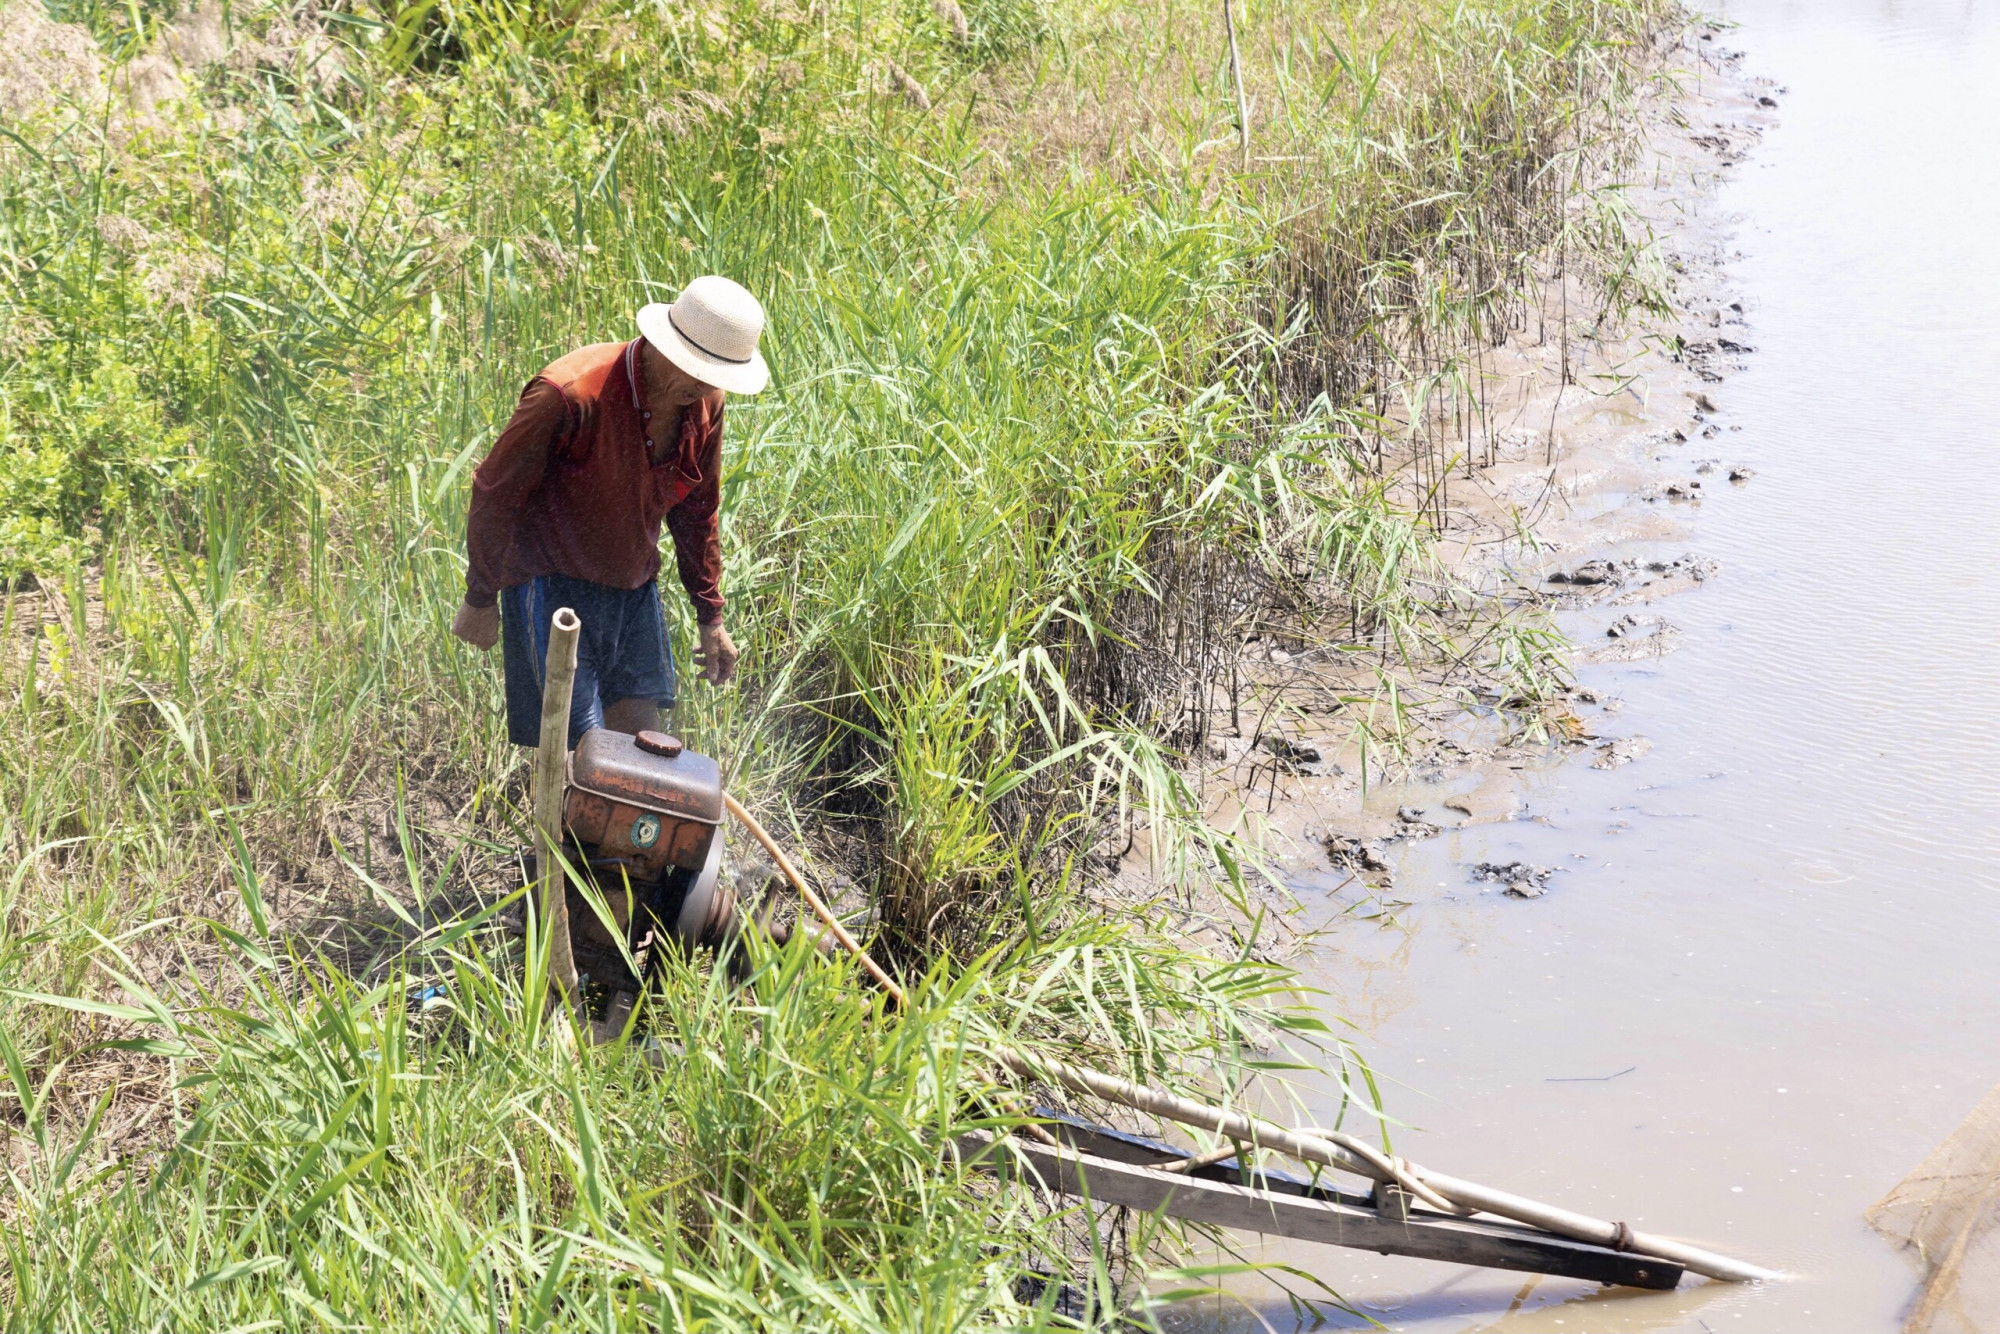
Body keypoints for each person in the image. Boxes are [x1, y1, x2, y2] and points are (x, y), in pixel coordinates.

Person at [450, 275, 768, 746]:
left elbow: (698, 512)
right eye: (693, 367)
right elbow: (496, 492)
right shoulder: (569, 392)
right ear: (664, 342)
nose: (701, 385)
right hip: (550, 584)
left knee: (645, 747)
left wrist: (711, 616)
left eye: (715, 376)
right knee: (583, 751)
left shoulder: (705, 404)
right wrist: (480, 597)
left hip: (633, 590)